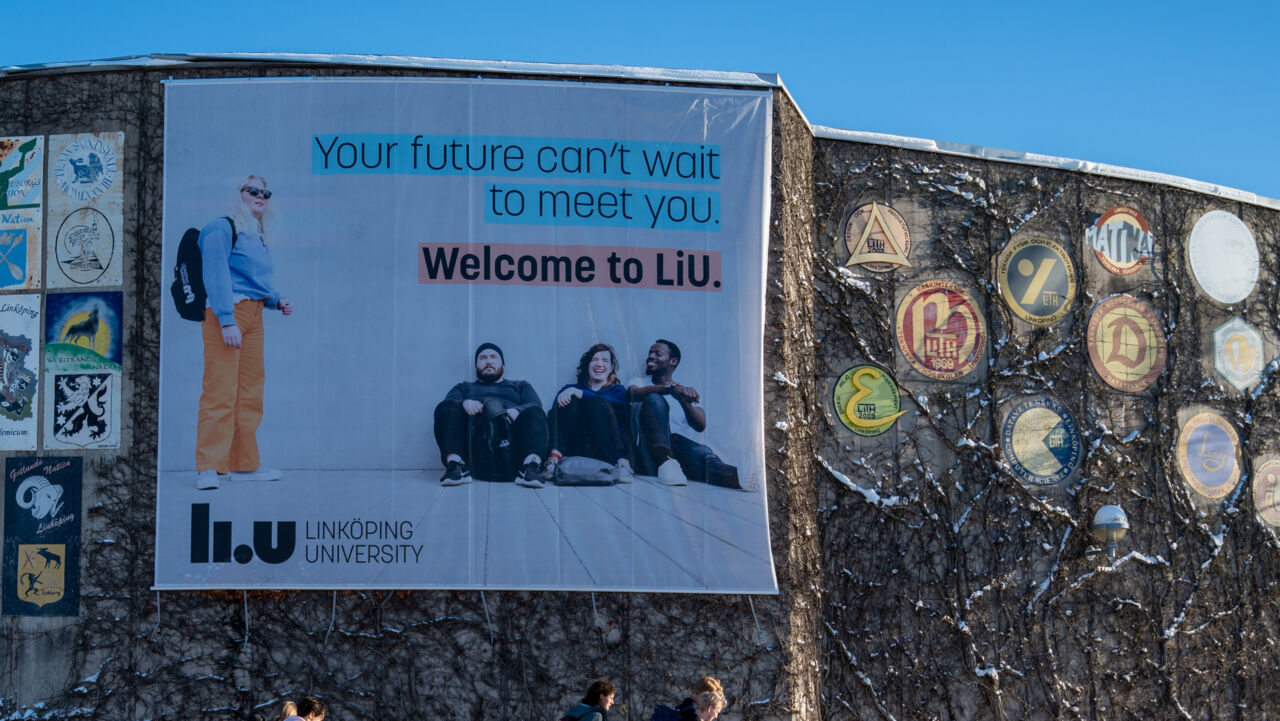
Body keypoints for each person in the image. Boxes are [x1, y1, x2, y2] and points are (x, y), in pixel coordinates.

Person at [194, 175, 293, 490]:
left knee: (250, 393)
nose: (260, 196)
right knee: (220, 390)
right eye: (252, 190)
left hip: (254, 315)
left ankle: (243, 464)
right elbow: (216, 273)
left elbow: (251, 278)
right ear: (237, 194)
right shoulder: (220, 228)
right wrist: (226, 319)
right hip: (228, 312)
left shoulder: (256, 234)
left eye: (265, 192)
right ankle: (210, 468)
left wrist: (276, 299)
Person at [433, 342, 549, 488]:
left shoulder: (520, 386)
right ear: (476, 366)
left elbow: (534, 404)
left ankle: (530, 468)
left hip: (513, 449)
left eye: (494, 357)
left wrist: (517, 411)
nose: (488, 361)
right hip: (476, 450)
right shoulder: (463, 387)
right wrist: (465, 403)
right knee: (446, 407)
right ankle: (456, 466)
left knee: (535, 412)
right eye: (483, 358)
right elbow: (448, 404)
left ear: (503, 364)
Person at [627, 339, 740, 488]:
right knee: (655, 399)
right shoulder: (638, 382)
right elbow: (634, 393)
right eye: (650, 353)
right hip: (647, 457)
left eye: (657, 353)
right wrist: (669, 389)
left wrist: (683, 400)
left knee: (704, 456)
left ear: (673, 361)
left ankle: (739, 477)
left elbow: (700, 425)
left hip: (679, 458)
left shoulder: (684, 392)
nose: (651, 356)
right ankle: (665, 459)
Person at [544, 343, 635, 483]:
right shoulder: (570, 389)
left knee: (597, 403)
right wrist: (571, 394)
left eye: (605, 361)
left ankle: (622, 464)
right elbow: (556, 416)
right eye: (594, 360)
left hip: (607, 449)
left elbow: (605, 405)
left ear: (611, 368)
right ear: (587, 365)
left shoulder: (618, 391)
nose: (599, 364)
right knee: (569, 400)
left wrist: (580, 393)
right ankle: (553, 460)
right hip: (575, 447)